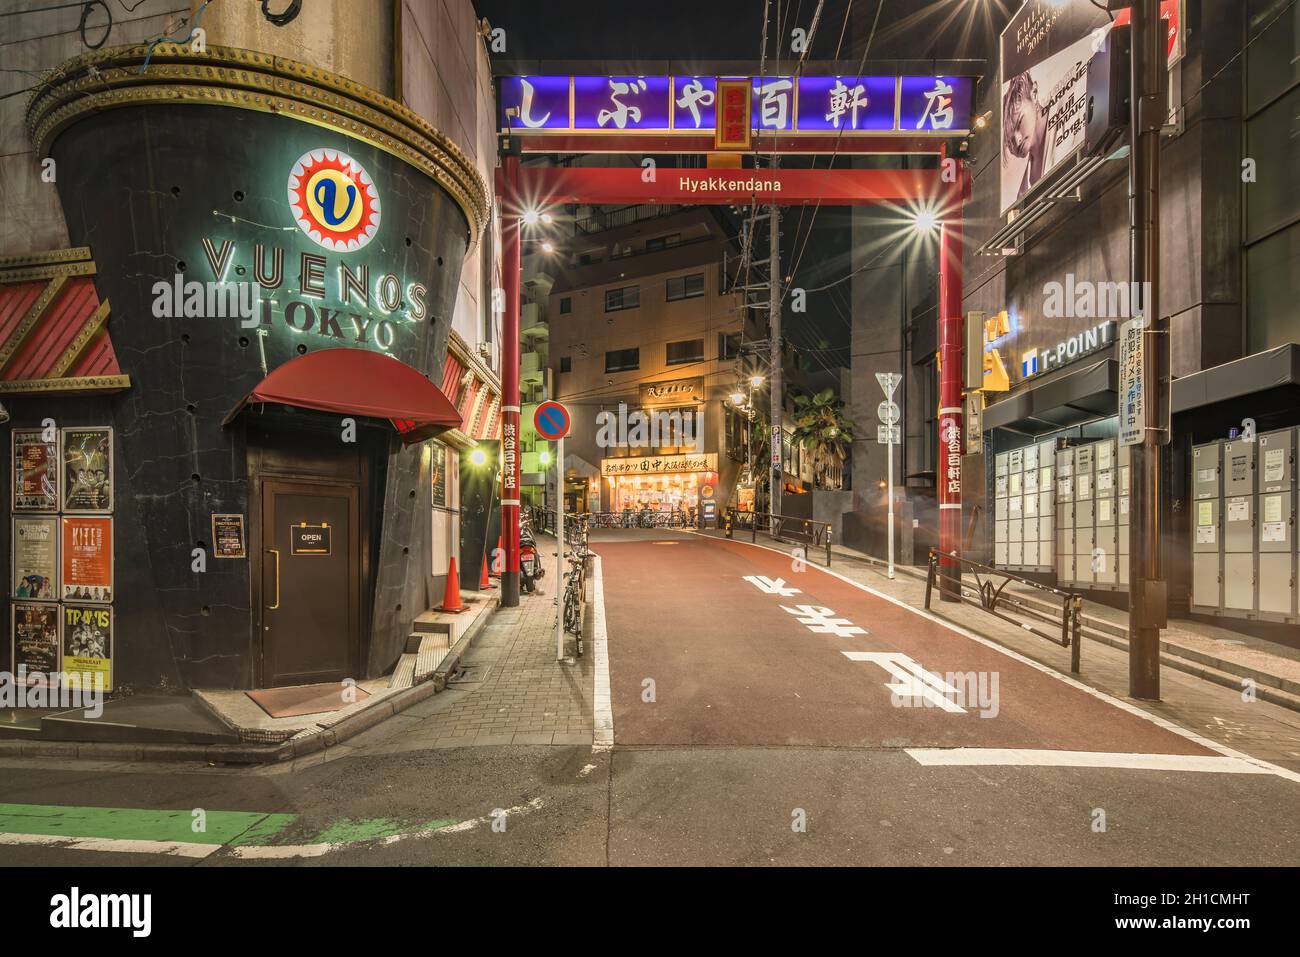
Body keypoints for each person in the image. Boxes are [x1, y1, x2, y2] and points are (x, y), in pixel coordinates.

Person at [1002, 70, 1050, 202]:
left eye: (1019, 123)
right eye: (1009, 140)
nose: (1016, 140)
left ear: (1034, 94)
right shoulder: (1022, 189)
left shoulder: (1066, 128)